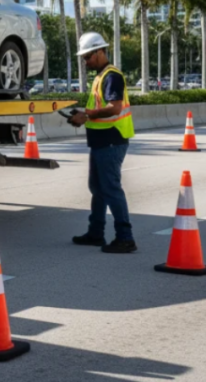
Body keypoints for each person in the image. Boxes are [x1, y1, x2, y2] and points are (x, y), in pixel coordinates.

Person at [68, 32, 137, 253]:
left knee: (110, 189)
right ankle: (96, 233)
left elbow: (114, 108)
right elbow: (100, 107)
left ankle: (125, 237)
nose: (86, 61)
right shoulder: (100, 76)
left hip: (111, 141)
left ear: (100, 51)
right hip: (101, 142)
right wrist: (83, 114)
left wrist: (86, 116)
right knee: (98, 188)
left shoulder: (111, 76)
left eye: (88, 57)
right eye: (84, 58)